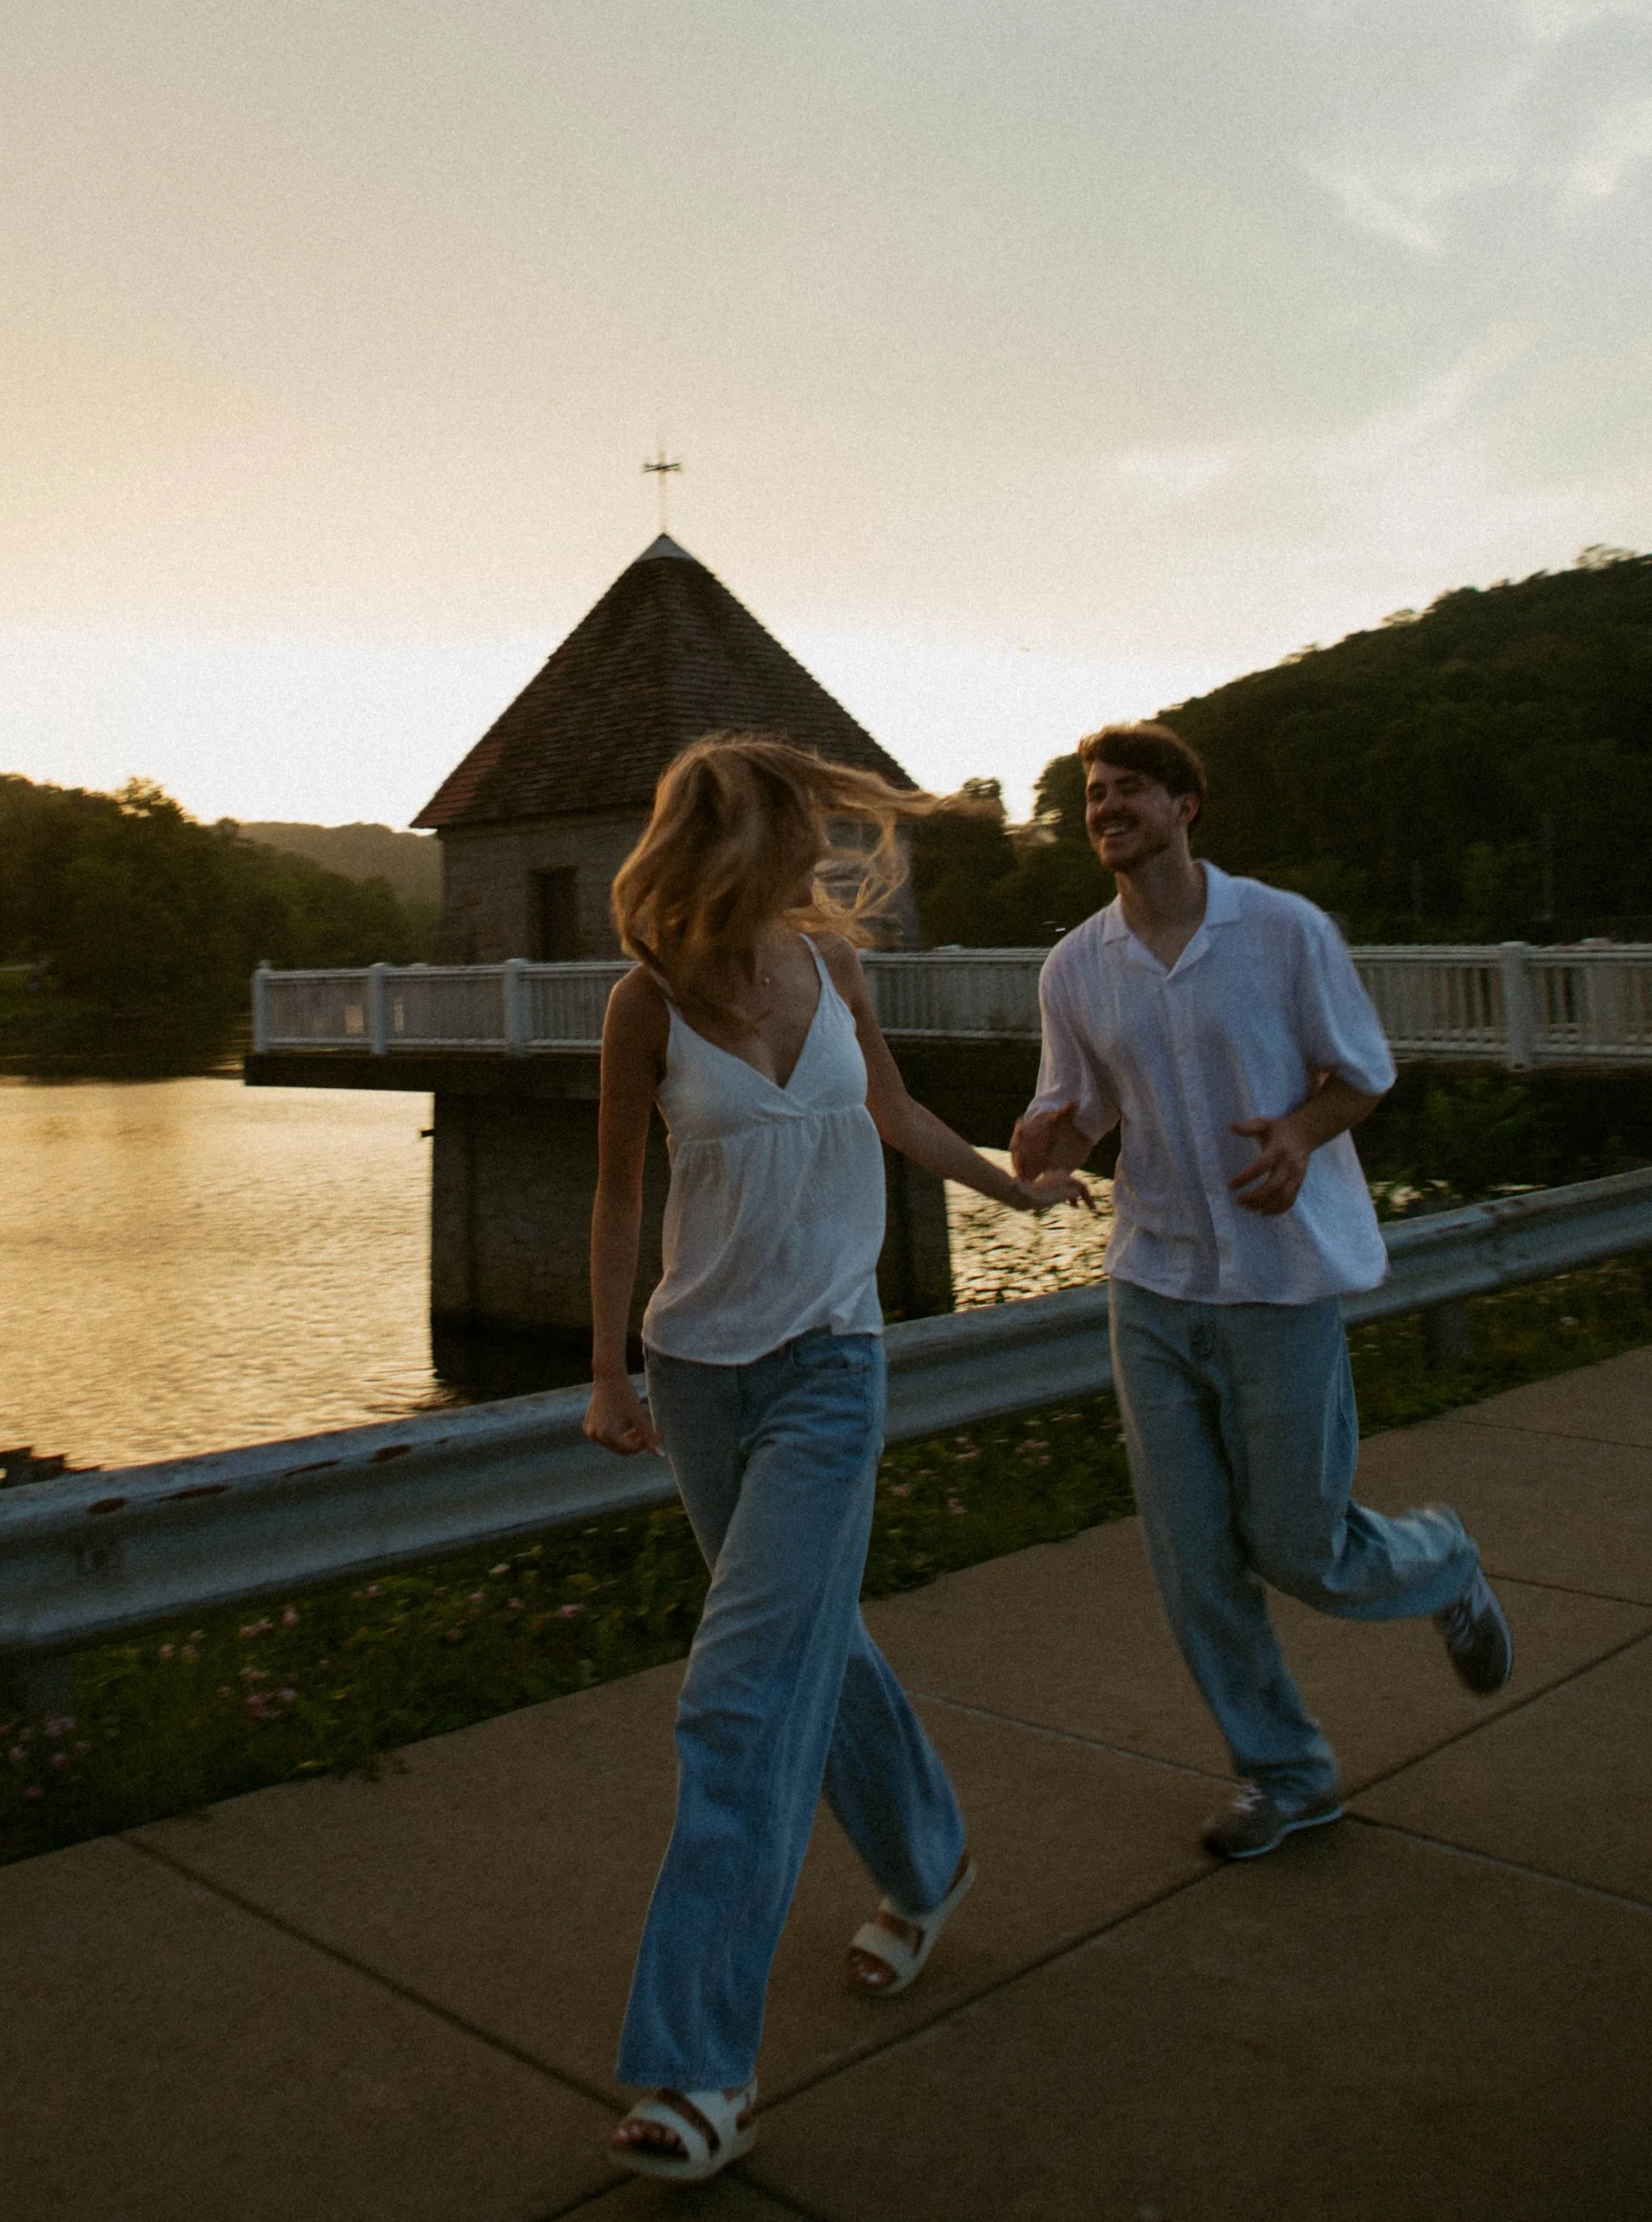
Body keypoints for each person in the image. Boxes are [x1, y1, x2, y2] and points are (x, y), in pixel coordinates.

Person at [585, 733, 1089, 2185]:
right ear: (736, 842)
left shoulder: (833, 975)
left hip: (827, 1369)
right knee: (815, 1641)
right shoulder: (644, 1006)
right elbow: (620, 1190)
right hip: (697, 1380)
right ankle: (931, 1864)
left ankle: (698, 2066)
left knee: (738, 1695)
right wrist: (610, 1366)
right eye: (799, 828)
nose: (822, 853)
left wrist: (1017, 1182)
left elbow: (896, 1114)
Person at [1012, 723, 1514, 1866]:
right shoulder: (1074, 965)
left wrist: (1297, 1128)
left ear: (1187, 805)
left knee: (1301, 1545)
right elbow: (1074, 1115)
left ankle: (1441, 1560)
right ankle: (1285, 1771)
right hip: (1153, 1280)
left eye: (1129, 788)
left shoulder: (1282, 930)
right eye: (1094, 794)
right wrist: (1046, 1138)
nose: (1107, 807)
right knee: (1193, 1561)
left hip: (1280, 1284)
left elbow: (1362, 1073)